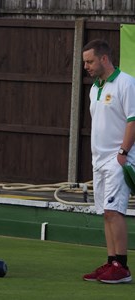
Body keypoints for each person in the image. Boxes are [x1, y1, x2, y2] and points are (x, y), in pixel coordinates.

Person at [82, 39, 135, 283]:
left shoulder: (126, 83)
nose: (87, 66)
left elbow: (132, 120)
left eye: (90, 61)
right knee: (106, 213)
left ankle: (122, 267)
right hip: (99, 160)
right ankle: (111, 260)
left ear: (104, 58)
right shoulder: (95, 88)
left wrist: (123, 152)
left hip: (118, 158)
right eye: (85, 62)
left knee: (114, 211)